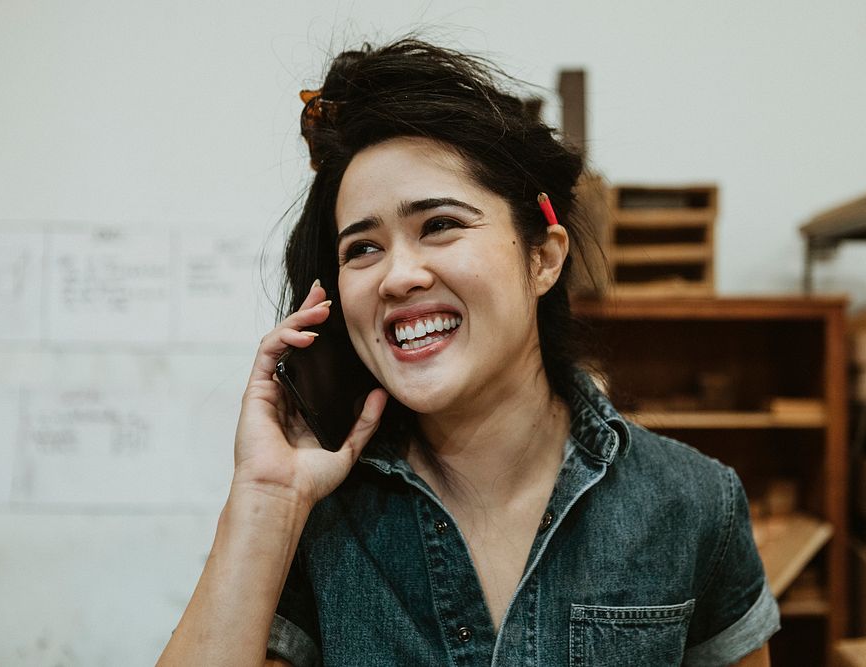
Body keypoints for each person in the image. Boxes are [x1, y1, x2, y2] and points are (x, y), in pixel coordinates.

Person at [158, 38, 779, 666]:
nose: (397, 277)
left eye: (440, 225)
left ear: (541, 258)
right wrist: (266, 497)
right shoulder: (317, 521)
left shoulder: (693, 504)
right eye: (362, 249)